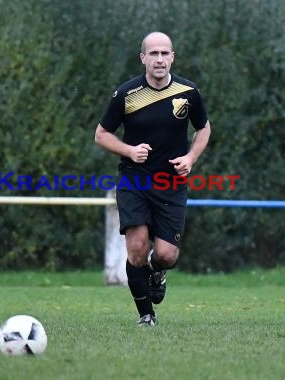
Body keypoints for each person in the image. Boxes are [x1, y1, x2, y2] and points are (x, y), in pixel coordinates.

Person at [94, 31, 211, 326]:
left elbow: (204, 129)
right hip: (135, 181)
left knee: (167, 254)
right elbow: (102, 134)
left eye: (165, 53)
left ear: (172, 57)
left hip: (171, 185)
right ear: (143, 58)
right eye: (153, 53)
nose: (159, 59)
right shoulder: (126, 94)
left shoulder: (189, 92)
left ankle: (158, 271)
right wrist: (129, 151)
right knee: (136, 248)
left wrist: (190, 159)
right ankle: (146, 315)